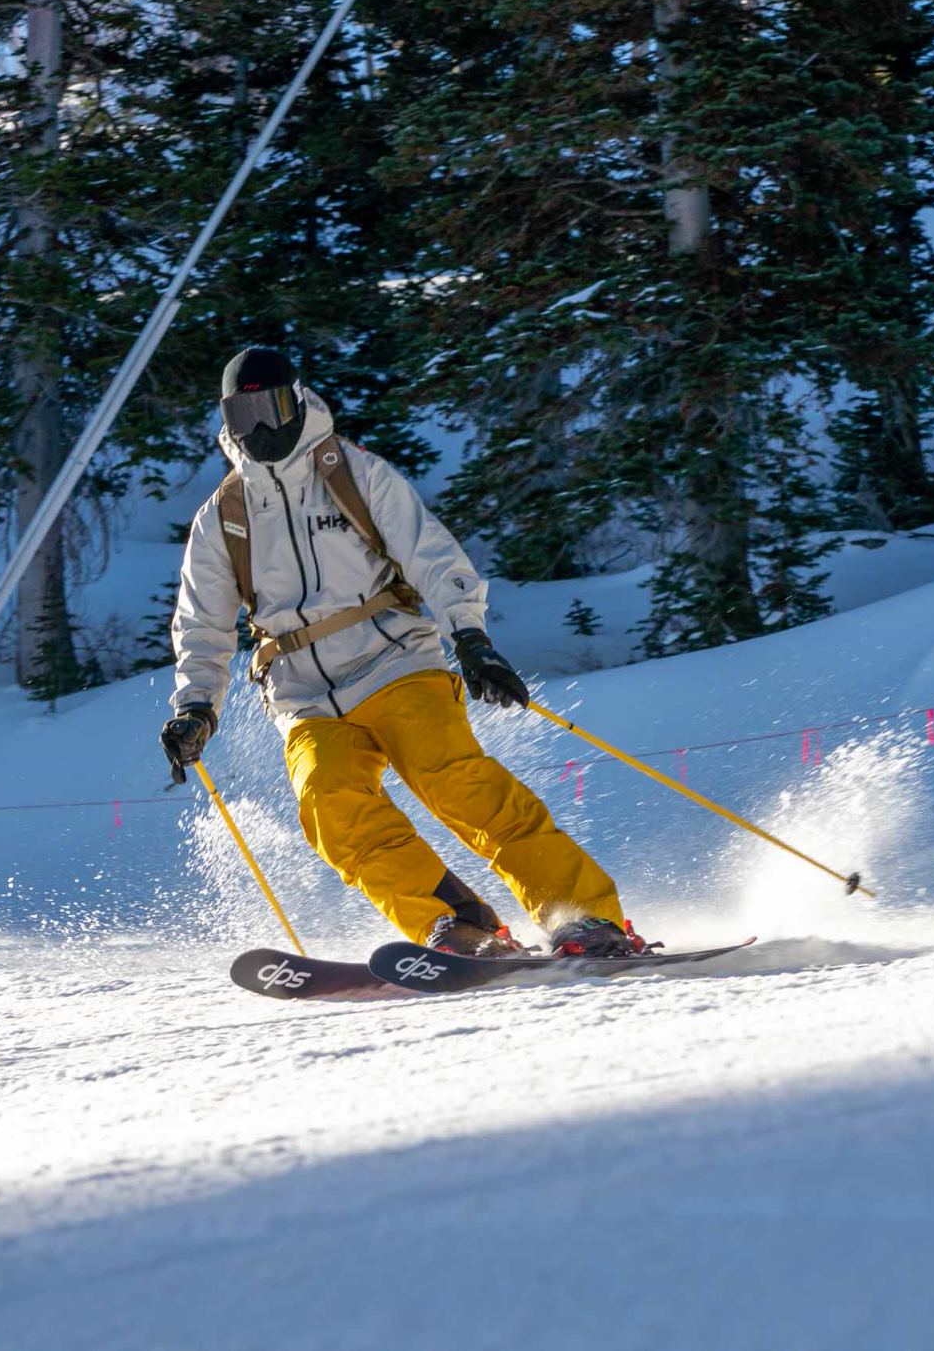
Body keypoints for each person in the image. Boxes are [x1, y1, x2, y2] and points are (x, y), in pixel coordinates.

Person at [161, 348, 646, 958]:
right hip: (304, 696)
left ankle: (584, 917)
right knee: (333, 810)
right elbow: (201, 623)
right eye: (244, 413)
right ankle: (456, 925)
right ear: (227, 420)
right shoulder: (224, 516)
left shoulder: (353, 474)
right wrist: (196, 706)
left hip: (395, 663)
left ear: (299, 401)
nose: (261, 427)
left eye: (273, 407)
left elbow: (431, 555)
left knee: (460, 786)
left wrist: (469, 638)